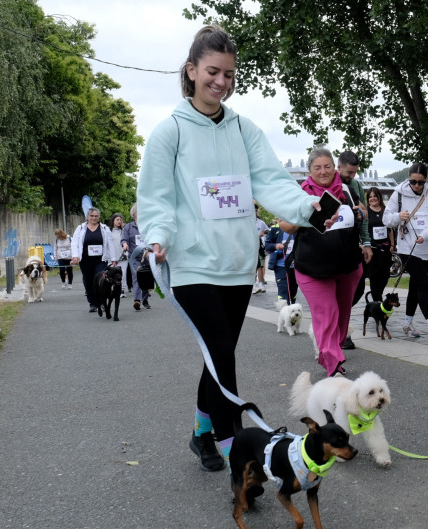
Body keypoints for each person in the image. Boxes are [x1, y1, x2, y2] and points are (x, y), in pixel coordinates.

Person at [137, 25, 328, 473]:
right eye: (211, 72)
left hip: (238, 265)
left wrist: (309, 207)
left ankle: (201, 433)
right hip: (190, 264)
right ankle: (231, 444)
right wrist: (158, 237)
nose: (220, 82)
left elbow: (271, 182)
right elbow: (156, 198)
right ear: (191, 71)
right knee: (222, 352)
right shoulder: (169, 133)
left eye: (228, 74)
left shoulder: (244, 129)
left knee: (216, 356)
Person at [283, 146, 371, 377]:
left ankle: (332, 347)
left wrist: (361, 217)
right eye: (317, 168)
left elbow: (363, 212)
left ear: (335, 167)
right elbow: (284, 225)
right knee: (327, 313)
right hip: (313, 268)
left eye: (327, 166)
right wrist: (309, 217)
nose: (323, 171)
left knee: (342, 317)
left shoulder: (347, 189)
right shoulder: (300, 193)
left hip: (347, 266)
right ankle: (333, 363)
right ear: (310, 171)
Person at [383, 163, 428, 340]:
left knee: (415, 286)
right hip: (408, 248)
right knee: (423, 283)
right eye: (413, 182)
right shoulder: (399, 194)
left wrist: (425, 235)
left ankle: (407, 323)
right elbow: (387, 219)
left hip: (427, 247)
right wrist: (398, 216)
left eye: (421, 182)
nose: (417, 186)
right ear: (408, 179)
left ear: (426, 180)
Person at [337, 150, 370, 350]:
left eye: (355, 172)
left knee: (357, 287)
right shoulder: (329, 183)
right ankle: (340, 333)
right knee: (336, 292)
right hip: (332, 247)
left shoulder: (356, 185)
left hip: (353, 244)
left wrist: (367, 243)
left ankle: (341, 325)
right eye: (349, 172)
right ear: (338, 166)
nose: (352, 176)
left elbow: (364, 215)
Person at [70, 207, 119, 312]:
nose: (94, 218)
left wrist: (114, 259)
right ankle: (92, 303)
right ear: (87, 217)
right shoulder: (80, 228)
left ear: (99, 217)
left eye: (96, 216)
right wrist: (75, 256)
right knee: (88, 281)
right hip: (85, 260)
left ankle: (102, 302)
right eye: (91, 216)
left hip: (100, 260)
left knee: (101, 280)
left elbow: (111, 244)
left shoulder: (104, 228)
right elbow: (74, 243)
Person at [362, 188, 393, 302]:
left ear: (379, 197)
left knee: (385, 276)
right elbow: (362, 230)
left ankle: (377, 295)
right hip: (373, 249)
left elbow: (390, 229)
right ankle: (377, 301)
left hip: (385, 248)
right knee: (374, 277)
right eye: (370, 197)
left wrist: (392, 245)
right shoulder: (366, 212)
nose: (373, 198)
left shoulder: (386, 211)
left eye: (375, 196)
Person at [120, 203, 151, 311]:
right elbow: (124, 239)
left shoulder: (148, 226)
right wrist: (124, 244)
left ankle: (145, 300)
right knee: (137, 277)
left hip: (147, 256)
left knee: (146, 278)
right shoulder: (128, 227)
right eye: (139, 212)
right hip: (134, 258)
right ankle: (137, 300)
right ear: (134, 214)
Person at [264, 218, 298, 304]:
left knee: (293, 291)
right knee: (283, 290)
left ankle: (293, 312)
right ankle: (285, 314)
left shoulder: (298, 227)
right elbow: (267, 245)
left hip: (296, 266)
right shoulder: (274, 228)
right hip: (280, 266)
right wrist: (276, 246)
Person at [109, 213, 130, 297]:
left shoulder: (124, 230)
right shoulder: (108, 231)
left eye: (121, 220)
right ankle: (112, 288)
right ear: (113, 220)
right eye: (117, 219)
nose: (119, 221)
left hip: (123, 255)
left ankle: (122, 289)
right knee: (112, 272)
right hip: (112, 255)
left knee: (123, 273)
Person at [253, 204, 269, 294]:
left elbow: (267, 229)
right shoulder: (246, 221)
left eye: (256, 210)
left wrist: (263, 232)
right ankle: (254, 285)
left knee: (260, 266)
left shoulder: (260, 222)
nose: (255, 212)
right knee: (252, 266)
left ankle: (260, 284)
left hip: (259, 246)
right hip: (249, 246)